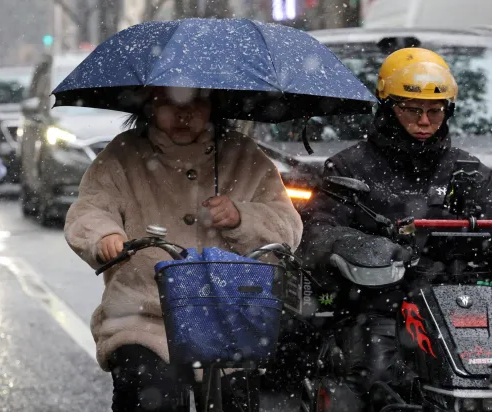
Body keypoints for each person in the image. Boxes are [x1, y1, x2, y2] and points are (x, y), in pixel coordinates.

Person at [64, 86, 303, 412]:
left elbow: (287, 224)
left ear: (214, 106)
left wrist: (241, 216)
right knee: (150, 392)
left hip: (229, 314)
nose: (183, 113)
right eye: (169, 102)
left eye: (197, 102)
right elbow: (91, 208)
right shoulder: (123, 155)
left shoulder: (242, 155)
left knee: (238, 398)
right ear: (149, 105)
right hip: (144, 315)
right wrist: (105, 236)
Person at [298, 48, 492, 411]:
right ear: (386, 107)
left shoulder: (470, 171)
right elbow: (316, 232)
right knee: (379, 379)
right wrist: (370, 249)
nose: (424, 120)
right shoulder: (349, 167)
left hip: (469, 306)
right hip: (379, 306)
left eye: (435, 111)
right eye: (411, 109)